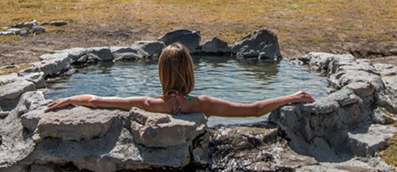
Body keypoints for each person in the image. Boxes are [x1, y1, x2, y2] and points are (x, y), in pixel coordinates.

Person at [47, 43, 315, 117]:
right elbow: (255, 109)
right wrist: (290, 97)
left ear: (161, 73)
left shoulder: (149, 104)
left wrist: (71, 97)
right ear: (189, 71)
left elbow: (96, 102)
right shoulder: (202, 104)